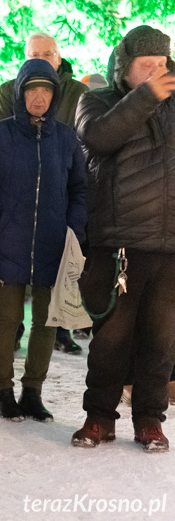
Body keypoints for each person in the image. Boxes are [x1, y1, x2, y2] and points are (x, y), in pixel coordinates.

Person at [71, 25, 175, 453]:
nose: (155, 72)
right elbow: (99, 137)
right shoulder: (95, 101)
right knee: (111, 340)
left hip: (169, 246)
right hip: (118, 243)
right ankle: (98, 417)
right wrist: (148, 96)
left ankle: (150, 419)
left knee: (161, 341)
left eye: (161, 65)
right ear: (123, 68)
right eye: (144, 66)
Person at [0, 59, 87, 423]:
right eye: (32, 90)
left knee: (46, 322)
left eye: (46, 90)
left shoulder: (67, 138)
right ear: (20, 93)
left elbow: (80, 190)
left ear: (55, 95)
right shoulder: (0, 134)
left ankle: (32, 392)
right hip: (8, 242)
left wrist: (73, 232)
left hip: (53, 244)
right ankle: (2, 392)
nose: (39, 97)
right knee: (6, 319)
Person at [0, 33, 90, 355]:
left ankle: (61, 330)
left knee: (60, 269)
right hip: (19, 192)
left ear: (59, 58)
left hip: (60, 188)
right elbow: (0, 140)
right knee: (16, 273)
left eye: (48, 53)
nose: (41, 57)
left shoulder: (77, 91)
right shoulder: (9, 90)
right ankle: (15, 329)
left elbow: (83, 140)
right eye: (34, 53)